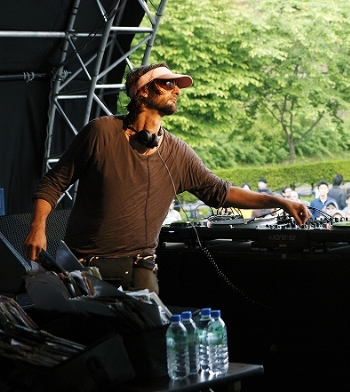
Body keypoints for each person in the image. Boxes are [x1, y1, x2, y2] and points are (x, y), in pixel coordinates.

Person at [24, 63, 310, 293]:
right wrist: (38, 228)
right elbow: (53, 183)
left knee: (150, 338)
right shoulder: (101, 132)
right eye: (167, 84)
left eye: (177, 85)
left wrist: (278, 201)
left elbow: (220, 192)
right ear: (142, 93)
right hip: (83, 264)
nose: (176, 91)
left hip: (140, 266)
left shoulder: (179, 153)